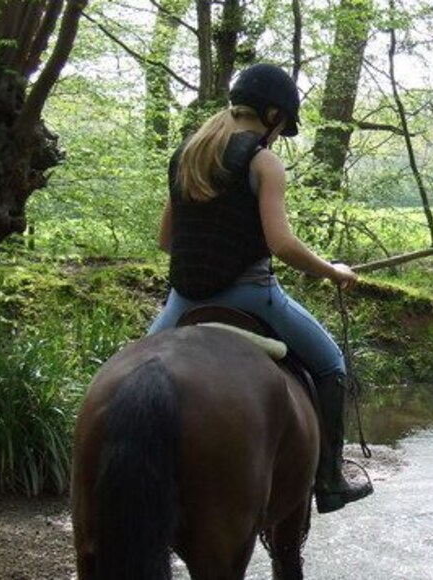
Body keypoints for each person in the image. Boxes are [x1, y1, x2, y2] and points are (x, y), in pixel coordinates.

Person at [147, 63, 372, 513]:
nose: (279, 135)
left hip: (184, 300)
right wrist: (332, 271)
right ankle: (329, 481)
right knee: (331, 365)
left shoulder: (188, 153)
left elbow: (165, 240)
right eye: (283, 125)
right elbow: (281, 243)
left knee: (131, 373)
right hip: (251, 294)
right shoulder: (263, 161)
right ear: (271, 115)